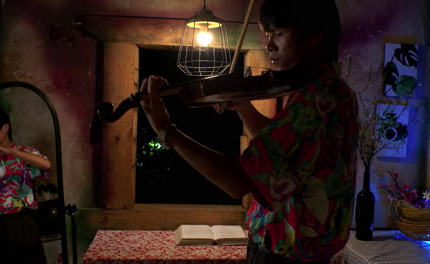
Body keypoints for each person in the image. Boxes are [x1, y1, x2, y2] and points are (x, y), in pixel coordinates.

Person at [139, 0, 358, 263]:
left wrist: (167, 131)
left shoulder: (317, 101)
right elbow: (284, 154)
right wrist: (243, 106)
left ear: (313, 36)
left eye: (278, 33)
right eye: (267, 33)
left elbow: (237, 181)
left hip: (285, 258)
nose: (268, 45)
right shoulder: (332, 91)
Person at [0, 109, 50, 264]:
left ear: (5, 128)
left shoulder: (25, 152)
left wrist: (11, 151)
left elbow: (45, 164)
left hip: (22, 221)